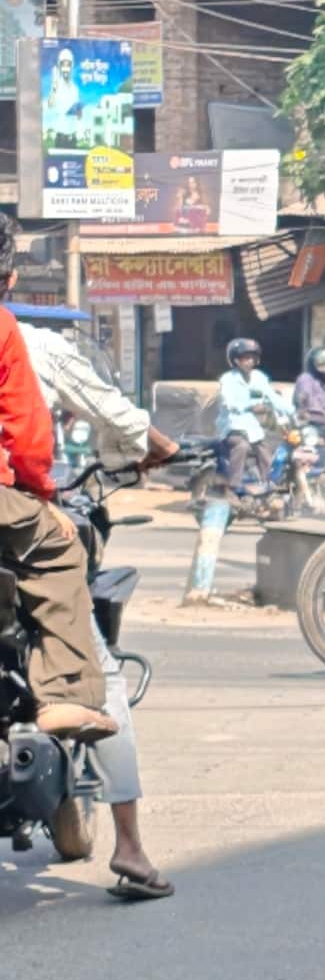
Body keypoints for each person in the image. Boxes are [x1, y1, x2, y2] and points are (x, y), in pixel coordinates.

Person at [17, 307, 182, 899]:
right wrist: (157, 446)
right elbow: (108, 420)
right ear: (10, 279)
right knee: (99, 666)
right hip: (18, 513)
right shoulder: (30, 343)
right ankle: (131, 848)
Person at [0, 216, 116, 744]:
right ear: (10, 280)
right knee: (61, 552)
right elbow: (27, 433)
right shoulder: (6, 328)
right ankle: (66, 695)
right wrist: (43, 497)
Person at [215, 338, 294, 494]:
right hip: (231, 427)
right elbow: (230, 402)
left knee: (265, 449)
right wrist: (250, 406)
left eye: (252, 357)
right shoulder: (228, 380)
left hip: (252, 428)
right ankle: (233, 487)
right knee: (241, 446)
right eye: (245, 358)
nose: (249, 361)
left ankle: (268, 485)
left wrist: (293, 411)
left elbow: (273, 397)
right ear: (236, 360)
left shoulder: (259, 377)